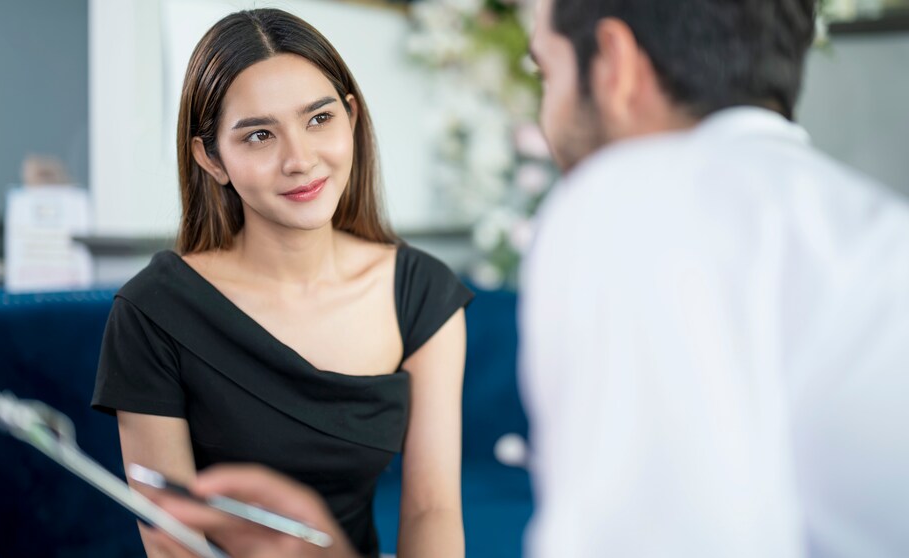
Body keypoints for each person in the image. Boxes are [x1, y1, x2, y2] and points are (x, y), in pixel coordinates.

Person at [142, 0, 909, 556]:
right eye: (258, 135)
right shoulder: (876, 227)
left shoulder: (631, 200)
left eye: (544, 70)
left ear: (612, 64)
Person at [91, 9, 471, 558]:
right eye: (260, 135)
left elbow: (431, 508)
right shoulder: (151, 311)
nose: (300, 160)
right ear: (211, 158)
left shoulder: (422, 292)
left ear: (351, 118)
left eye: (319, 120)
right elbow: (172, 542)